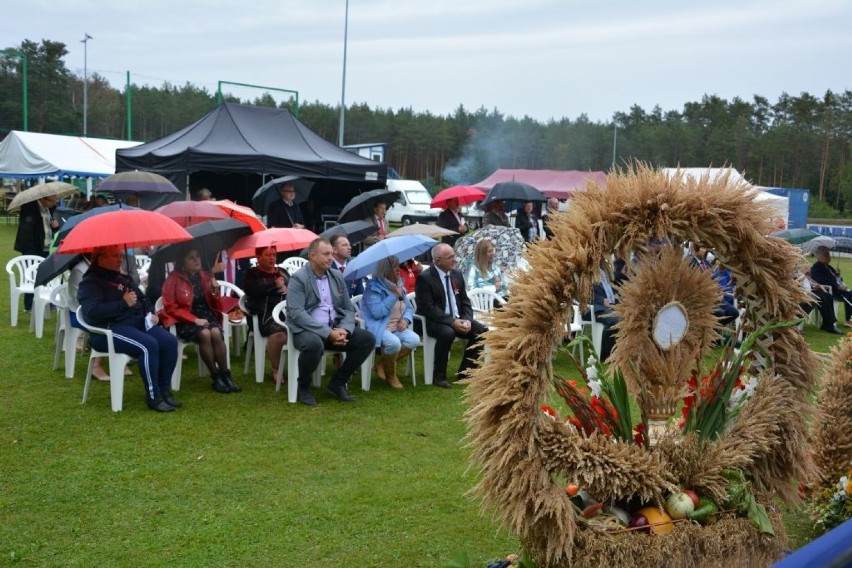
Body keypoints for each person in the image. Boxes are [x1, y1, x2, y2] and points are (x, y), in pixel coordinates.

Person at [77, 245, 180, 412]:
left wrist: (150, 312)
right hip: (108, 331)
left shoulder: (122, 278)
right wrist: (122, 304)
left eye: (120, 255)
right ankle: (154, 397)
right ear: (100, 258)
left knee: (169, 341)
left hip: (135, 324)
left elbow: (142, 299)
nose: (121, 259)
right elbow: (93, 312)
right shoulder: (89, 283)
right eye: (115, 256)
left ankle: (164, 390)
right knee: (149, 345)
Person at [285, 238, 375, 406]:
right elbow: (297, 313)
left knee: (367, 339)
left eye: (331, 254)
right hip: (307, 330)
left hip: (335, 327)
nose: (330, 258)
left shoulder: (336, 276)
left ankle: (338, 383)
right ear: (312, 255)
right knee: (314, 345)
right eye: (325, 254)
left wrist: (344, 330)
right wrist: (328, 333)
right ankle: (303, 387)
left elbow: (348, 308)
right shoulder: (298, 278)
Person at [159, 248, 240, 394]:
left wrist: (215, 292)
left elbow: (218, 307)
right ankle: (215, 377)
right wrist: (194, 320)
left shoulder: (205, 276)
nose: (197, 260)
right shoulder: (174, 278)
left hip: (206, 315)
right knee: (205, 335)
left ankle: (226, 375)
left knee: (215, 332)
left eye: (197, 256)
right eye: (191, 258)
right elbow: (170, 307)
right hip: (184, 318)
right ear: (182, 262)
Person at [415, 243, 486, 388]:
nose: (455, 260)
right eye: (450, 257)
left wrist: (466, 320)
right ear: (438, 260)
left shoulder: (456, 274)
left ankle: (466, 373)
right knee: (447, 333)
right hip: (433, 321)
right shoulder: (425, 278)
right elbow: (428, 308)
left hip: (457, 318)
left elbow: (465, 301)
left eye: (454, 256)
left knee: (482, 332)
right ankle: (439, 376)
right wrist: (452, 322)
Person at [361, 256, 420, 389]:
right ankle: (391, 375)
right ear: (384, 269)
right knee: (394, 343)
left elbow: (409, 308)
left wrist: (406, 319)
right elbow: (376, 312)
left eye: (397, 265)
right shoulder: (373, 287)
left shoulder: (399, 284)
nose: (397, 269)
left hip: (396, 327)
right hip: (379, 327)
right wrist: (393, 296)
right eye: (393, 266)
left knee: (414, 340)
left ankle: (382, 364)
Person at [243, 246, 290, 384]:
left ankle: (300, 368)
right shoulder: (252, 274)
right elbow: (251, 291)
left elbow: (295, 288)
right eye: (268, 255)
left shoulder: (283, 273)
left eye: (274, 255)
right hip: (262, 314)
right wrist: (275, 286)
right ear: (258, 257)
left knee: (304, 330)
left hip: (285, 312)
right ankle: (276, 369)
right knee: (279, 334)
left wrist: (286, 288)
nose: (272, 258)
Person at [14, 195, 59, 311]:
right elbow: (28, 231)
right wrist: (31, 253)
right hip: (32, 248)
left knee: (48, 275)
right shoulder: (29, 209)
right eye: (52, 201)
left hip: (46, 247)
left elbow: (46, 228)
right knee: (31, 276)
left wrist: (54, 227)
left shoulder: (48, 209)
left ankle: (49, 301)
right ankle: (29, 305)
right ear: (43, 199)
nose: (54, 203)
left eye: (56, 200)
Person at [810, 245, 852, 331]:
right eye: (826, 255)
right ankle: (849, 320)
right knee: (850, 294)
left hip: (837, 289)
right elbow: (820, 280)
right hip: (831, 291)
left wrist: (837, 275)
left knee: (850, 293)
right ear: (819, 256)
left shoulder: (828, 267)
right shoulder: (816, 267)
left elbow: (835, 279)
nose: (829, 257)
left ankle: (849, 318)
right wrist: (837, 286)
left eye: (829, 255)